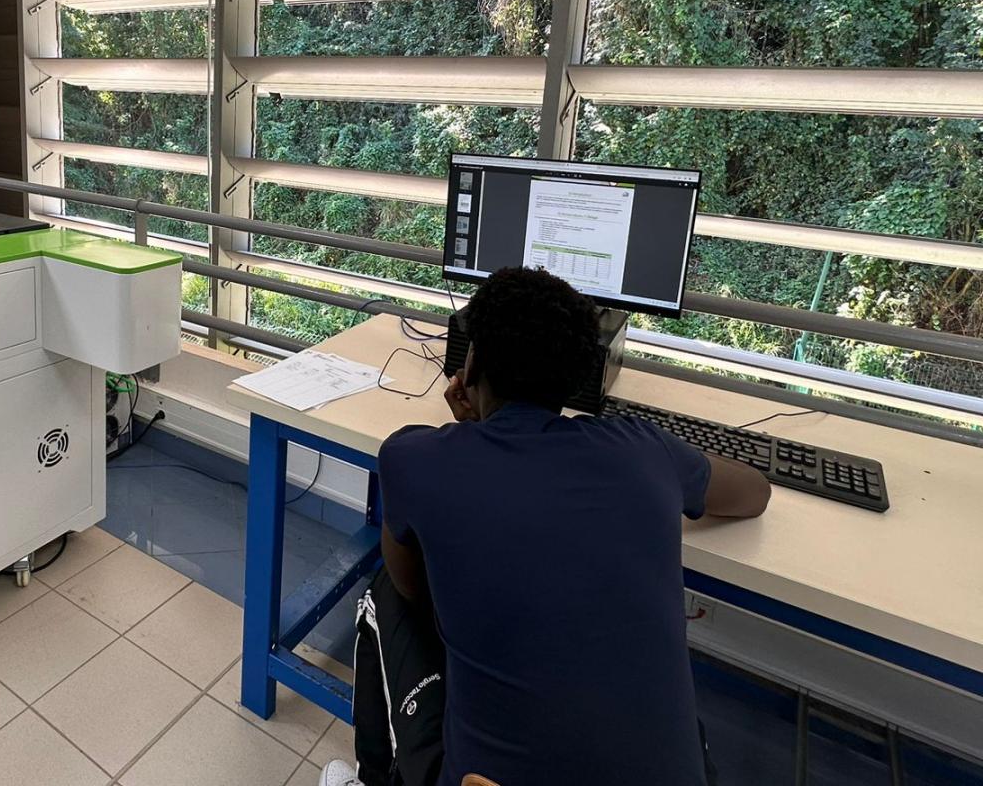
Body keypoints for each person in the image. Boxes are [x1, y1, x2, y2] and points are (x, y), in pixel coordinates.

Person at [320, 267, 771, 786]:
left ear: (472, 365)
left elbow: (414, 592)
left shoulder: (415, 458)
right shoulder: (646, 451)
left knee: (385, 591)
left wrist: (475, 431)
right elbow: (753, 494)